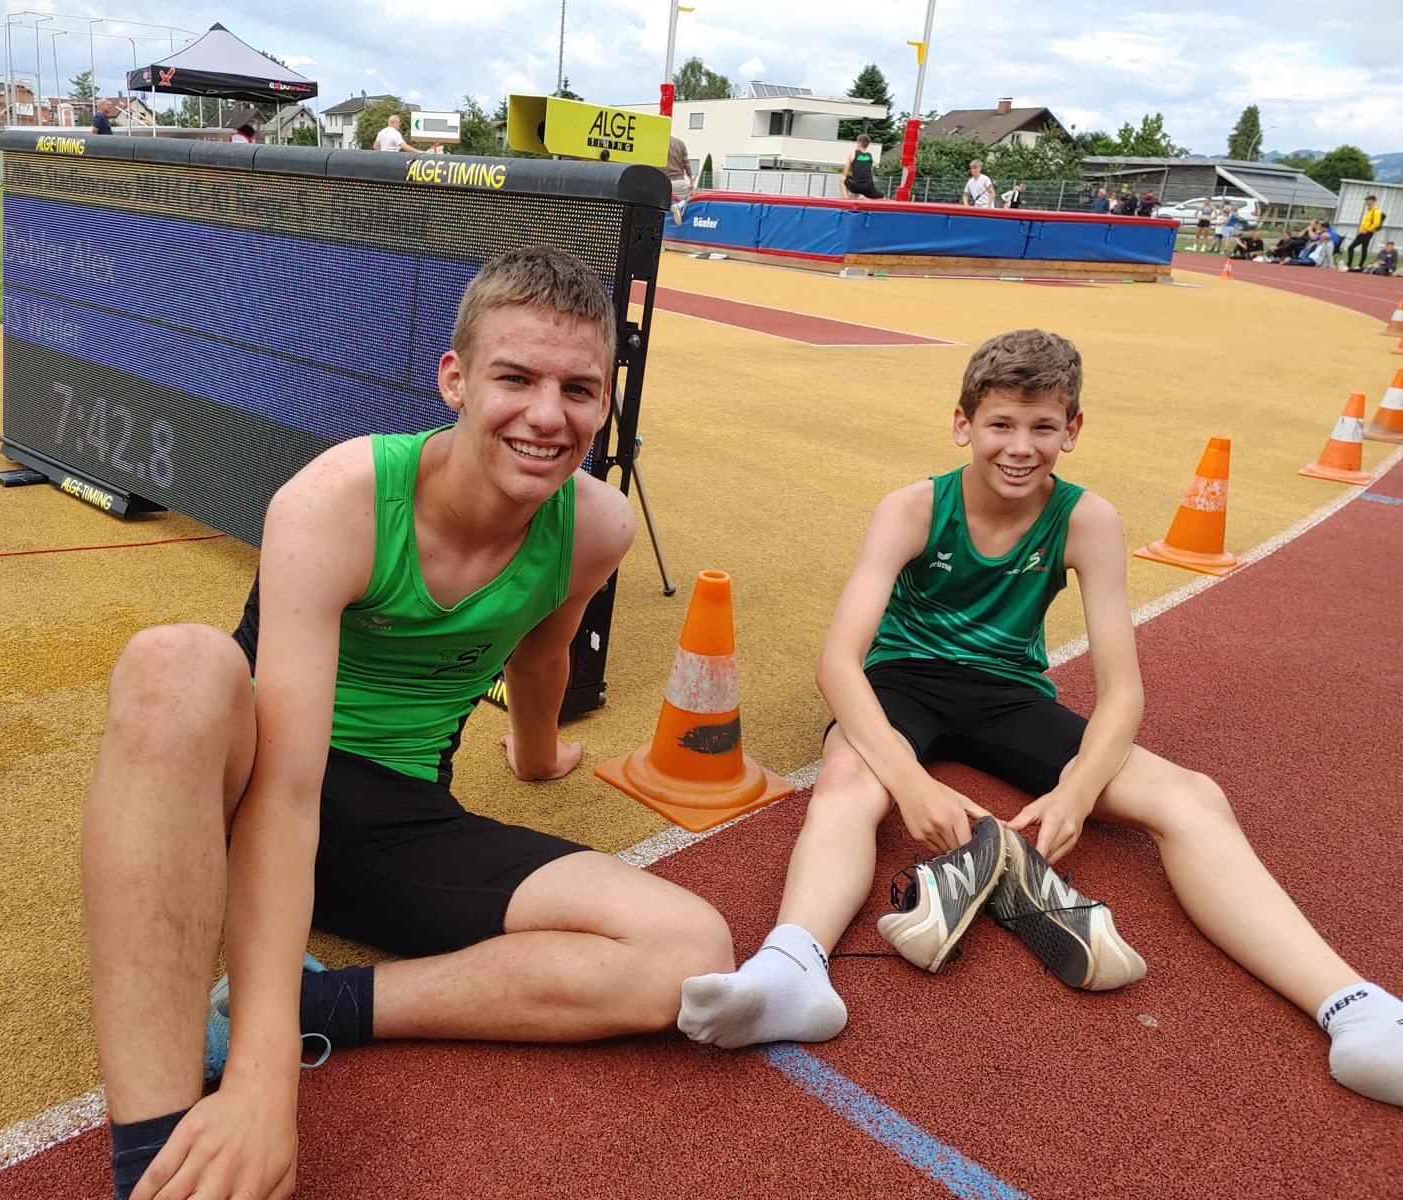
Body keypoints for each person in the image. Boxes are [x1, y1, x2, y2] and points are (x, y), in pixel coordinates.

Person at [82, 246, 734, 1200]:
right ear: (455, 380)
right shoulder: (338, 498)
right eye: (515, 378)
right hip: (251, 784)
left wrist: (538, 755)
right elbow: (286, 794)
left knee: (691, 953)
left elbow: (541, 656)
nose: (547, 415)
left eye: (578, 389)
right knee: (174, 665)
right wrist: (264, 1084)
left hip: (394, 820)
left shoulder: (597, 527)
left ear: (604, 404)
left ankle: (327, 1002)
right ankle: (152, 1158)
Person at [675, 328, 1403, 1110]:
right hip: (903, 679)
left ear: (1072, 430)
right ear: (963, 424)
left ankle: (1356, 1008)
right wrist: (910, 782)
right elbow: (838, 665)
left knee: (1193, 797)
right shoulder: (912, 508)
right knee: (850, 777)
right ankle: (791, 969)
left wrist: (1077, 794)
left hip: (1010, 694)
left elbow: (1122, 693)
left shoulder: (1088, 520)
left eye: (1043, 427)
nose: (1021, 447)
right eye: (1001, 424)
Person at [840, 134, 882, 203]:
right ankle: (866, 198)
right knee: (882, 197)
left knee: (842, 179)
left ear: (859, 143)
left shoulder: (852, 153)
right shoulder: (870, 156)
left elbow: (845, 173)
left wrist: (851, 173)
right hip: (868, 187)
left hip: (856, 186)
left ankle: (846, 200)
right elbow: (866, 171)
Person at [1346, 195, 1385, 271]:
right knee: (1363, 248)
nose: (1366, 202)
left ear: (1372, 201)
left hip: (1367, 233)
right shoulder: (1369, 210)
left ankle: (1351, 265)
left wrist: (1367, 230)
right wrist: (1361, 230)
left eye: (1367, 200)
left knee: (1352, 247)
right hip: (1363, 232)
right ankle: (1358, 265)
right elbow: (1365, 222)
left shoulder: (1376, 211)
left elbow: (1376, 223)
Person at [664, 133, 696, 223]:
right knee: (690, 196)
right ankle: (678, 206)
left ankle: (672, 206)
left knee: (664, 200)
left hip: (663, 183)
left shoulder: (658, 143)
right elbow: (687, 164)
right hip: (679, 182)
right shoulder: (680, 143)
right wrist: (691, 183)